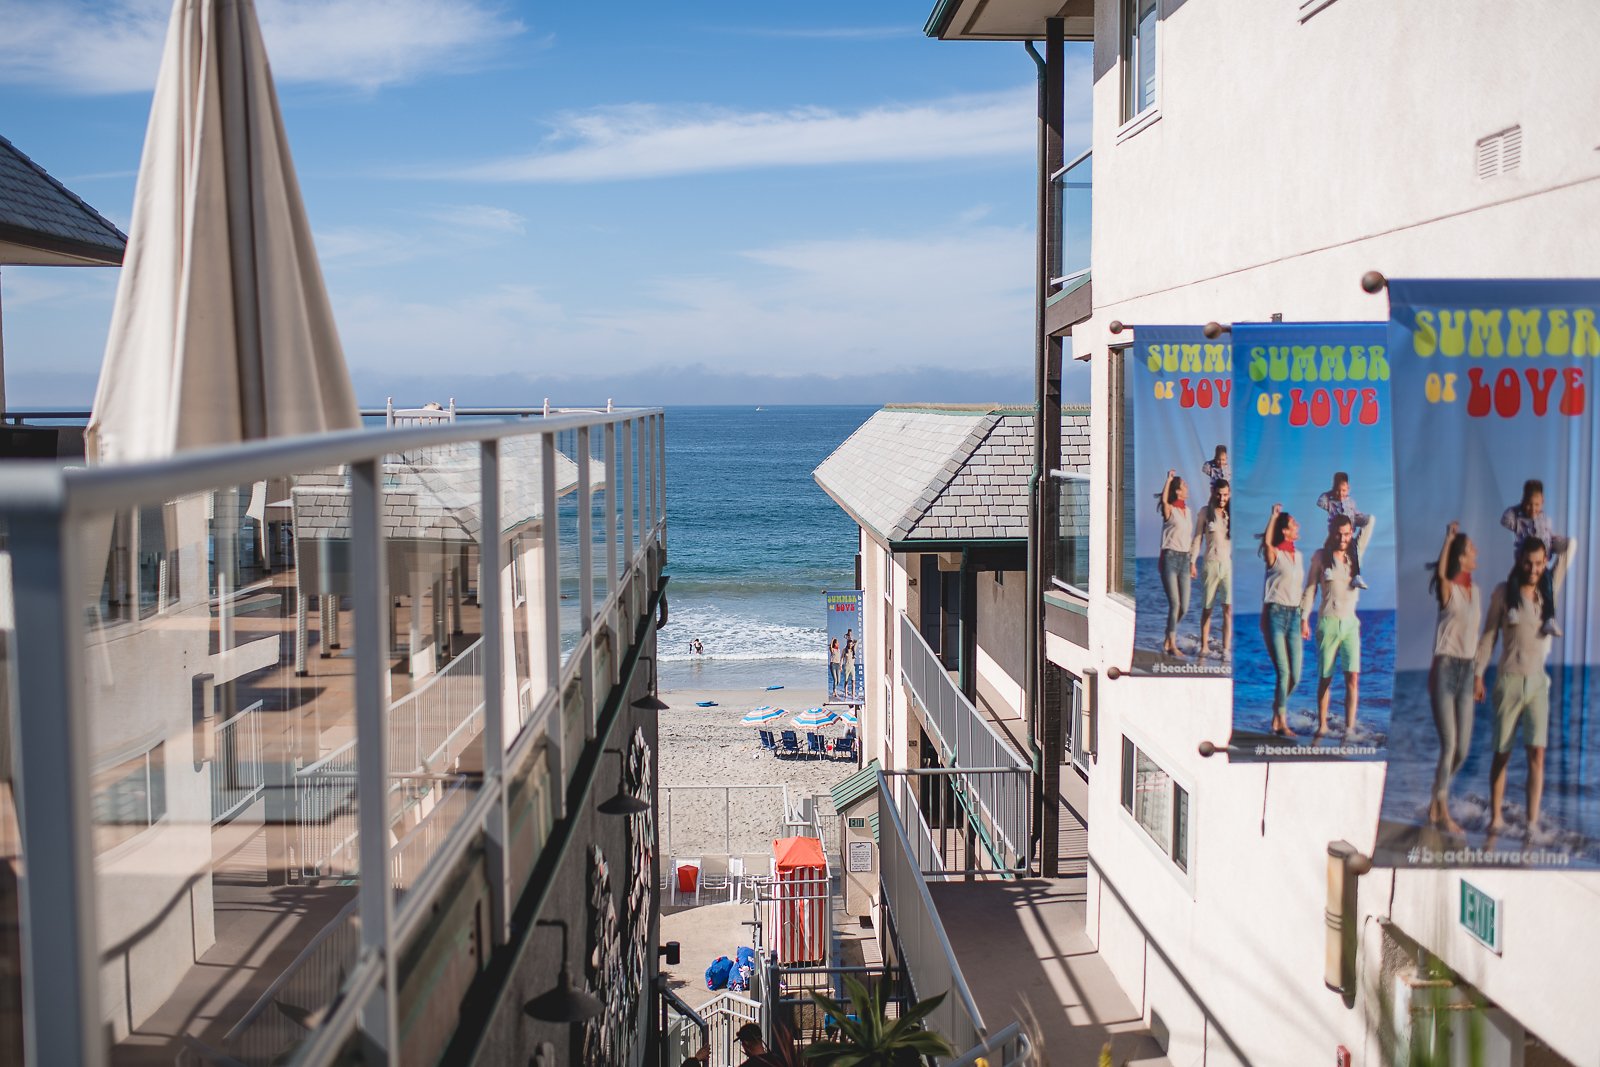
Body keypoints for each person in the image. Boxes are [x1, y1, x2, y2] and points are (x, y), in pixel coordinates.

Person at [1476, 534, 1576, 838]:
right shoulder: (1504, 593)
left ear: (1545, 562)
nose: (1533, 569)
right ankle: (1495, 819)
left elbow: (1570, 547)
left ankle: (1532, 824)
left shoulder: (1549, 591)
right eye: (1528, 563)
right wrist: (1478, 675)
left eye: (1539, 563)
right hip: (1508, 681)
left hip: (1537, 686)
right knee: (1502, 753)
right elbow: (1488, 637)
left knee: (1538, 756)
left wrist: (1546, 540)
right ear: (1520, 562)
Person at [1300, 513, 1377, 738]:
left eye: (1347, 534)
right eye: (1339, 533)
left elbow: (1370, 521)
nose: (1343, 538)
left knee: (1353, 677)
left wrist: (1352, 515)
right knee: (1326, 678)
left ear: (1351, 532)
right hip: (1328, 623)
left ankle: (1349, 729)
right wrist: (1304, 619)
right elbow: (1310, 590)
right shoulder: (1320, 557)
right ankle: (1322, 725)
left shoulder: (1356, 554)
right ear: (1332, 533)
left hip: (1351, 625)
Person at [1427, 522, 1482, 834]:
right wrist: (1448, 539)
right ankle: (1443, 812)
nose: (1477, 553)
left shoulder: (1475, 592)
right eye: (1472, 549)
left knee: (1462, 748)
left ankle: (1436, 798)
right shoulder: (1449, 589)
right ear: (1461, 557)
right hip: (1445, 670)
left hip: (1467, 671)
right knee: (1449, 745)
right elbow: (1441, 576)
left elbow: (1473, 636)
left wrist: (1477, 678)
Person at [1259, 506, 1305, 737]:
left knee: (1296, 675)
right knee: (1284, 672)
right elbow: (1267, 543)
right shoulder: (1274, 554)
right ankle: (1281, 723)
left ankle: (1277, 709)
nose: (1298, 527)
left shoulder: (1299, 557)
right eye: (1294, 524)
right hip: (1275, 615)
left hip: (1295, 617)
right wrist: (1274, 517)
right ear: (1285, 531)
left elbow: (1302, 591)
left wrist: (1304, 619)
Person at [1500, 478, 1567, 637]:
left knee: (1548, 585)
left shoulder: (1545, 519)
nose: (1532, 508)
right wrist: (1520, 508)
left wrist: (1556, 541)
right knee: (1513, 580)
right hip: (1524, 562)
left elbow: (1549, 536)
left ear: (1542, 502)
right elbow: (1504, 519)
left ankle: (1549, 618)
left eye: (1536, 504)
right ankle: (1513, 609)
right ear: (1523, 501)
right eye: (1529, 504)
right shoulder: (1518, 517)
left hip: (1540, 564)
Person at [1157, 469, 1196, 658]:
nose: (1188, 488)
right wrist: (1169, 480)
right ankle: (1171, 645)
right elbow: (1164, 501)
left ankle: (1167, 637)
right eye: (1185, 486)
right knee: (1175, 603)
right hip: (1170, 558)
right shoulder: (1169, 509)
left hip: (1184, 559)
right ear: (1177, 491)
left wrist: (1192, 563)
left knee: (1185, 606)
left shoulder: (1188, 511)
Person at [1192, 479, 1232, 659]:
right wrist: (1192, 562)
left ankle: (1226, 649)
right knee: (1207, 608)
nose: (1222, 498)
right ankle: (1204, 646)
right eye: (1219, 494)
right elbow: (1197, 539)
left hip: (1228, 566)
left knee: (1228, 609)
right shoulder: (1204, 513)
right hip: (1210, 564)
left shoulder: (1233, 515)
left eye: (1225, 494)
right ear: (1213, 492)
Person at [1316, 472, 1371, 590]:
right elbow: (1320, 502)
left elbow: (1356, 513)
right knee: (1328, 547)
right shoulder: (1331, 502)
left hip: (1347, 534)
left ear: (1348, 489)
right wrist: (1330, 493)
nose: (1341, 494)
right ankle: (1328, 569)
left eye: (1344, 490)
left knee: (1354, 550)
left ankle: (1356, 575)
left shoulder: (1351, 502)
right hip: (1335, 533)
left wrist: (1363, 519)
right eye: (1338, 490)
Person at [840, 630, 857, 701]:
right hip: (846, 667)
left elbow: (856, 641)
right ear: (847, 644)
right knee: (846, 681)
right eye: (849, 644)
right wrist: (840, 666)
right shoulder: (844, 650)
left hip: (852, 667)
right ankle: (846, 693)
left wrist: (850, 637)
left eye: (851, 644)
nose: (850, 645)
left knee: (853, 681)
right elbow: (841, 658)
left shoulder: (853, 650)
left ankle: (853, 695)